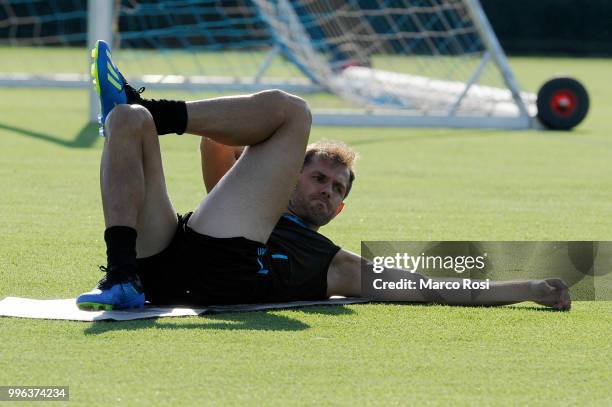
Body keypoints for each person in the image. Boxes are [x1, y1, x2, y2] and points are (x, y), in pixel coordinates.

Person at [77, 40, 571, 311]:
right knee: (125, 122)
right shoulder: (238, 197)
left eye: (336, 190)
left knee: (293, 112)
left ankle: (149, 106)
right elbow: (216, 144)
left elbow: (430, 285)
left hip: (223, 271)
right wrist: (264, 153)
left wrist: (526, 287)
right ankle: (119, 274)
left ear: (340, 210)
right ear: (290, 178)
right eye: (318, 177)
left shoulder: (329, 262)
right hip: (162, 257)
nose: (326, 190)